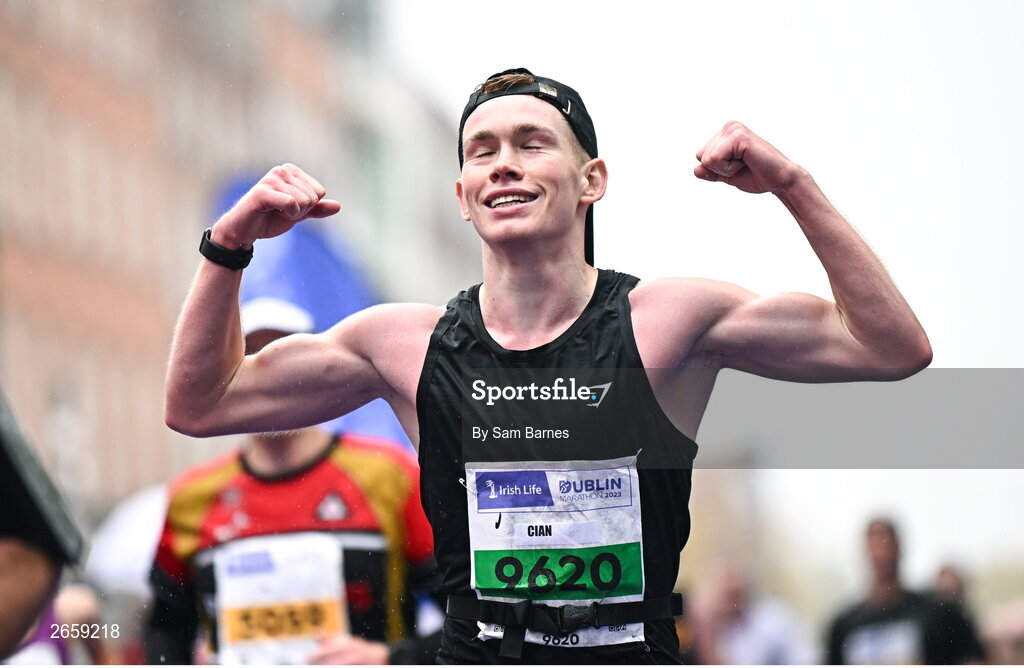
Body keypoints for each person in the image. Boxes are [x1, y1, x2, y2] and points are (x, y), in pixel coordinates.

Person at [165, 68, 932, 663]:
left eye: (532, 142)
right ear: (462, 197)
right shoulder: (406, 345)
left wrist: (792, 186)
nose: (503, 164)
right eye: (482, 150)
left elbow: (891, 347)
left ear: (592, 180)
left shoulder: (665, 325)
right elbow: (201, 404)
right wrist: (228, 247)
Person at [147, 234, 441, 665]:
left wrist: (388, 658)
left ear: (317, 362)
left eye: (282, 351)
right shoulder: (192, 497)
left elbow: (469, 615)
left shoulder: (391, 475)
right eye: (250, 355)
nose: (269, 370)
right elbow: (163, 631)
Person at [825, 518, 984, 664]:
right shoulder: (845, 626)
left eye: (885, 544)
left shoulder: (939, 615)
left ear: (899, 548)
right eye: (874, 545)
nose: (881, 554)